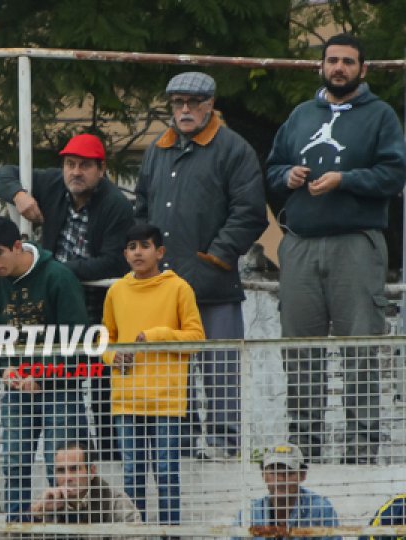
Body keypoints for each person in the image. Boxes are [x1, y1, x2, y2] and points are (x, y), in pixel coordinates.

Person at [266, 33, 406, 464]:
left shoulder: (380, 116)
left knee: (360, 350)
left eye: (348, 61)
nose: (339, 67)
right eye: (332, 60)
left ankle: (360, 453)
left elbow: (393, 175)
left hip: (356, 245)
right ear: (321, 66)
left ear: (363, 69)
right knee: (300, 354)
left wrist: (345, 179)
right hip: (300, 245)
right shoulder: (301, 115)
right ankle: (302, 453)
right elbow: (270, 170)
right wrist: (287, 175)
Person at [135, 71, 267, 460]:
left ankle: (226, 448)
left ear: (211, 104)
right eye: (178, 103)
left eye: (194, 103)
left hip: (213, 284)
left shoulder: (234, 149)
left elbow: (250, 214)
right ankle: (179, 446)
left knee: (221, 371)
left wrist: (216, 257)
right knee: (173, 372)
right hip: (164, 286)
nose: (185, 110)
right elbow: (142, 208)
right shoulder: (155, 150)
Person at [0, 133, 133, 460]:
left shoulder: (116, 205)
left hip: (95, 305)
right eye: (70, 164)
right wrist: (20, 195)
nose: (75, 172)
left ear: (101, 169)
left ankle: (108, 458)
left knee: (100, 384)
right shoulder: (52, 183)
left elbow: (112, 260)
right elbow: (1, 174)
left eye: (84, 166)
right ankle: (68, 459)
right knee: (56, 380)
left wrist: (55, 271)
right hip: (52, 308)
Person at [0, 216, 90, 523]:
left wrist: (41, 375)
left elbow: (78, 338)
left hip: (61, 388)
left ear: (17, 246)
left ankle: (65, 528)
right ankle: (17, 526)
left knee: (62, 465)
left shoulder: (58, 277)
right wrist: (5, 371)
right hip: (17, 390)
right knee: (13, 460)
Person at [102, 223, 204, 527]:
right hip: (127, 399)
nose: (137, 252)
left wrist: (156, 335)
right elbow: (104, 336)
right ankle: (137, 533)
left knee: (166, 471)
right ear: (124, 254)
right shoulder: (116, 290)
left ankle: (170, 532)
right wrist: (111, 355)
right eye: (131, 247)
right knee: (132, 473)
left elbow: (197, 338)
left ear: (159, 252)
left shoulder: (178, 288)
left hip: (166, 400)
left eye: (144, 246)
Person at [30, 441, 143, 540]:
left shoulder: (116, 503)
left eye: (74, 469)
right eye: (60, 470)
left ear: (92, 471)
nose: (67, 477)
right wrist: (37, 513)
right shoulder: (47, 502)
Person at [233, 443, 340, 540]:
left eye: (289, 472)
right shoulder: (249, 514)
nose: (280, 479)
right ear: (263, 476)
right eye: (274, 472)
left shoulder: (320, 510)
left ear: (302, 475)